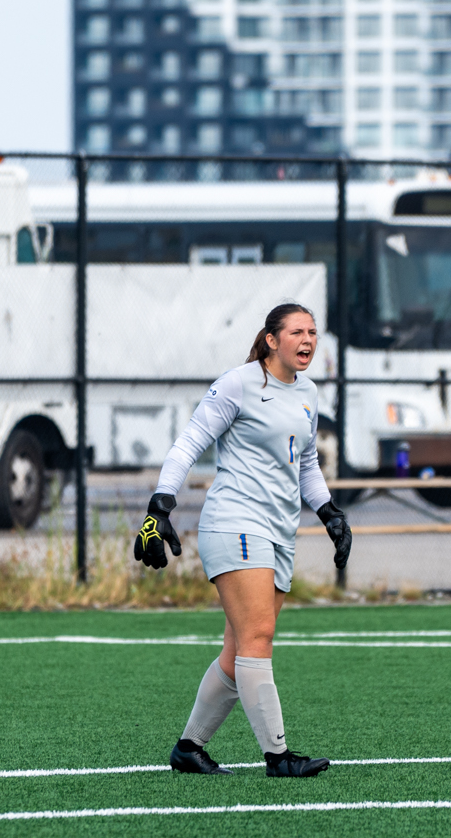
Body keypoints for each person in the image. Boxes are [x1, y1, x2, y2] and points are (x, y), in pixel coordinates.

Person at [133, 302, 352, 776]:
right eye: (297, 332)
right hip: (235, 523)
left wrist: (329, 511)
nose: (308, 340)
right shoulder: (238, 383)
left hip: (278, 532)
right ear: (272, 339)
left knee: (238, 652)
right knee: (259, 637)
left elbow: (307, 462)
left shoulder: (309, 392)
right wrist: (160, 505)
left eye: (313, 332)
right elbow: (190, 442)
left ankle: (189, 748)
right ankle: (278, 756)